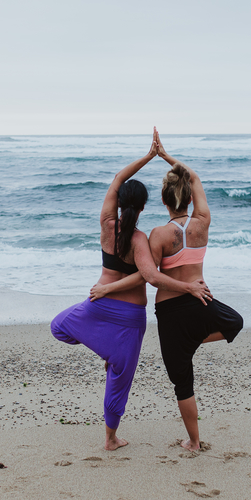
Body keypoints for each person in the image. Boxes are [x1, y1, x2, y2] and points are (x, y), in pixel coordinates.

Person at [50, 130, 211, 451]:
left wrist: (147, 157)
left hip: (97, 305)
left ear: (121, 202)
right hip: (129, 320)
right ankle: (110, 439)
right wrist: (188, 287)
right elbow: (149, 276)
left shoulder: (107, 223)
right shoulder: (140, 240)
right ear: (147, 205)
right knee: (119, 382)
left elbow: (116, 179)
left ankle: (104, 348)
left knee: (59, 327)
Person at [92, 129, 243, 452]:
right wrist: (167, 156)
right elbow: (196, 177)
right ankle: (193, 439)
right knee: (234, 322)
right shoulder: (203, 222)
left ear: (162, 201)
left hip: (171, 313)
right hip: (201, 302)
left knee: (182, 382)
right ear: (189, 198)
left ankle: (194, 440)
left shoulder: (158, 235)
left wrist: (151, 156)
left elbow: (150, 277)